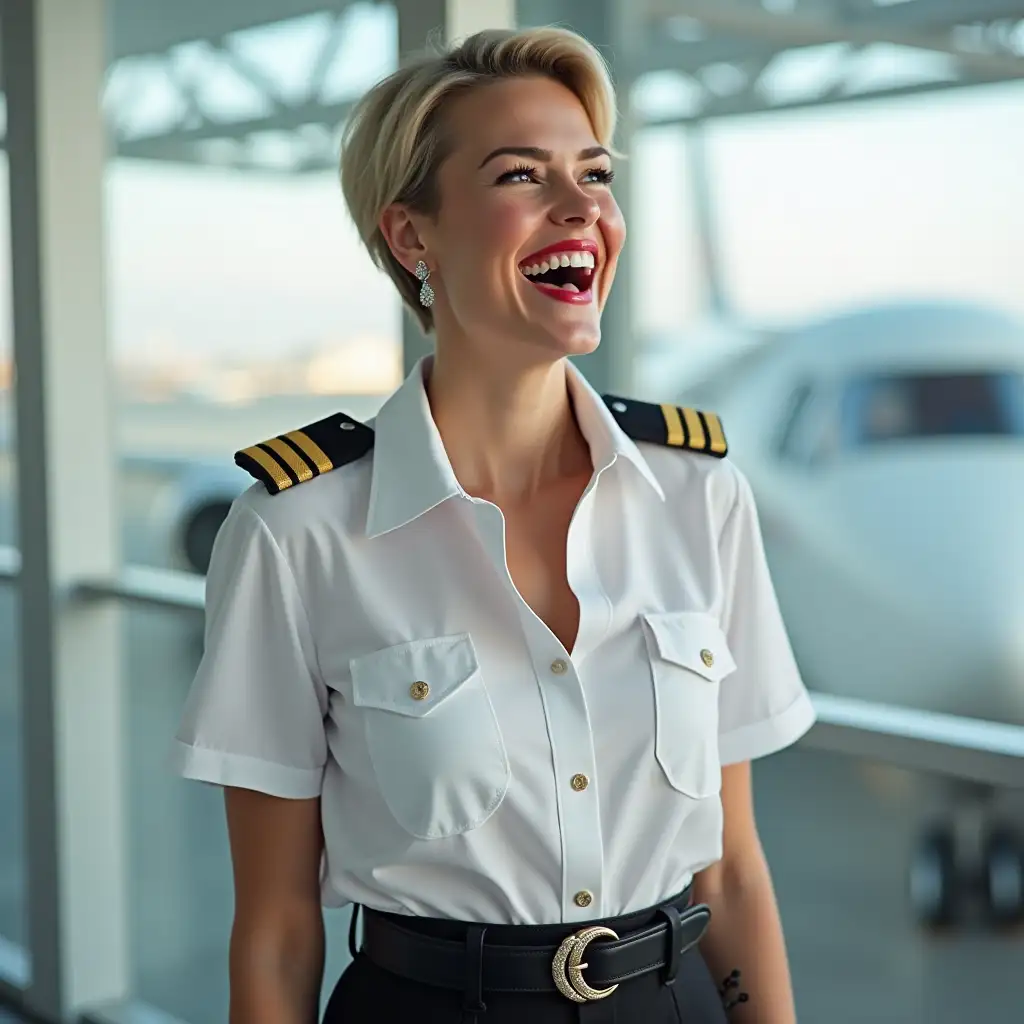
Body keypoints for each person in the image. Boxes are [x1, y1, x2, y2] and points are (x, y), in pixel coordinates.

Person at [170, 25, 816, 1024]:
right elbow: (276, 928)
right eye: (522, 175)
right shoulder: (296, 531)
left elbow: (730, 874)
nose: (580, 208)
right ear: (411, 235)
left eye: (593, 174)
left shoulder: (696, 495)